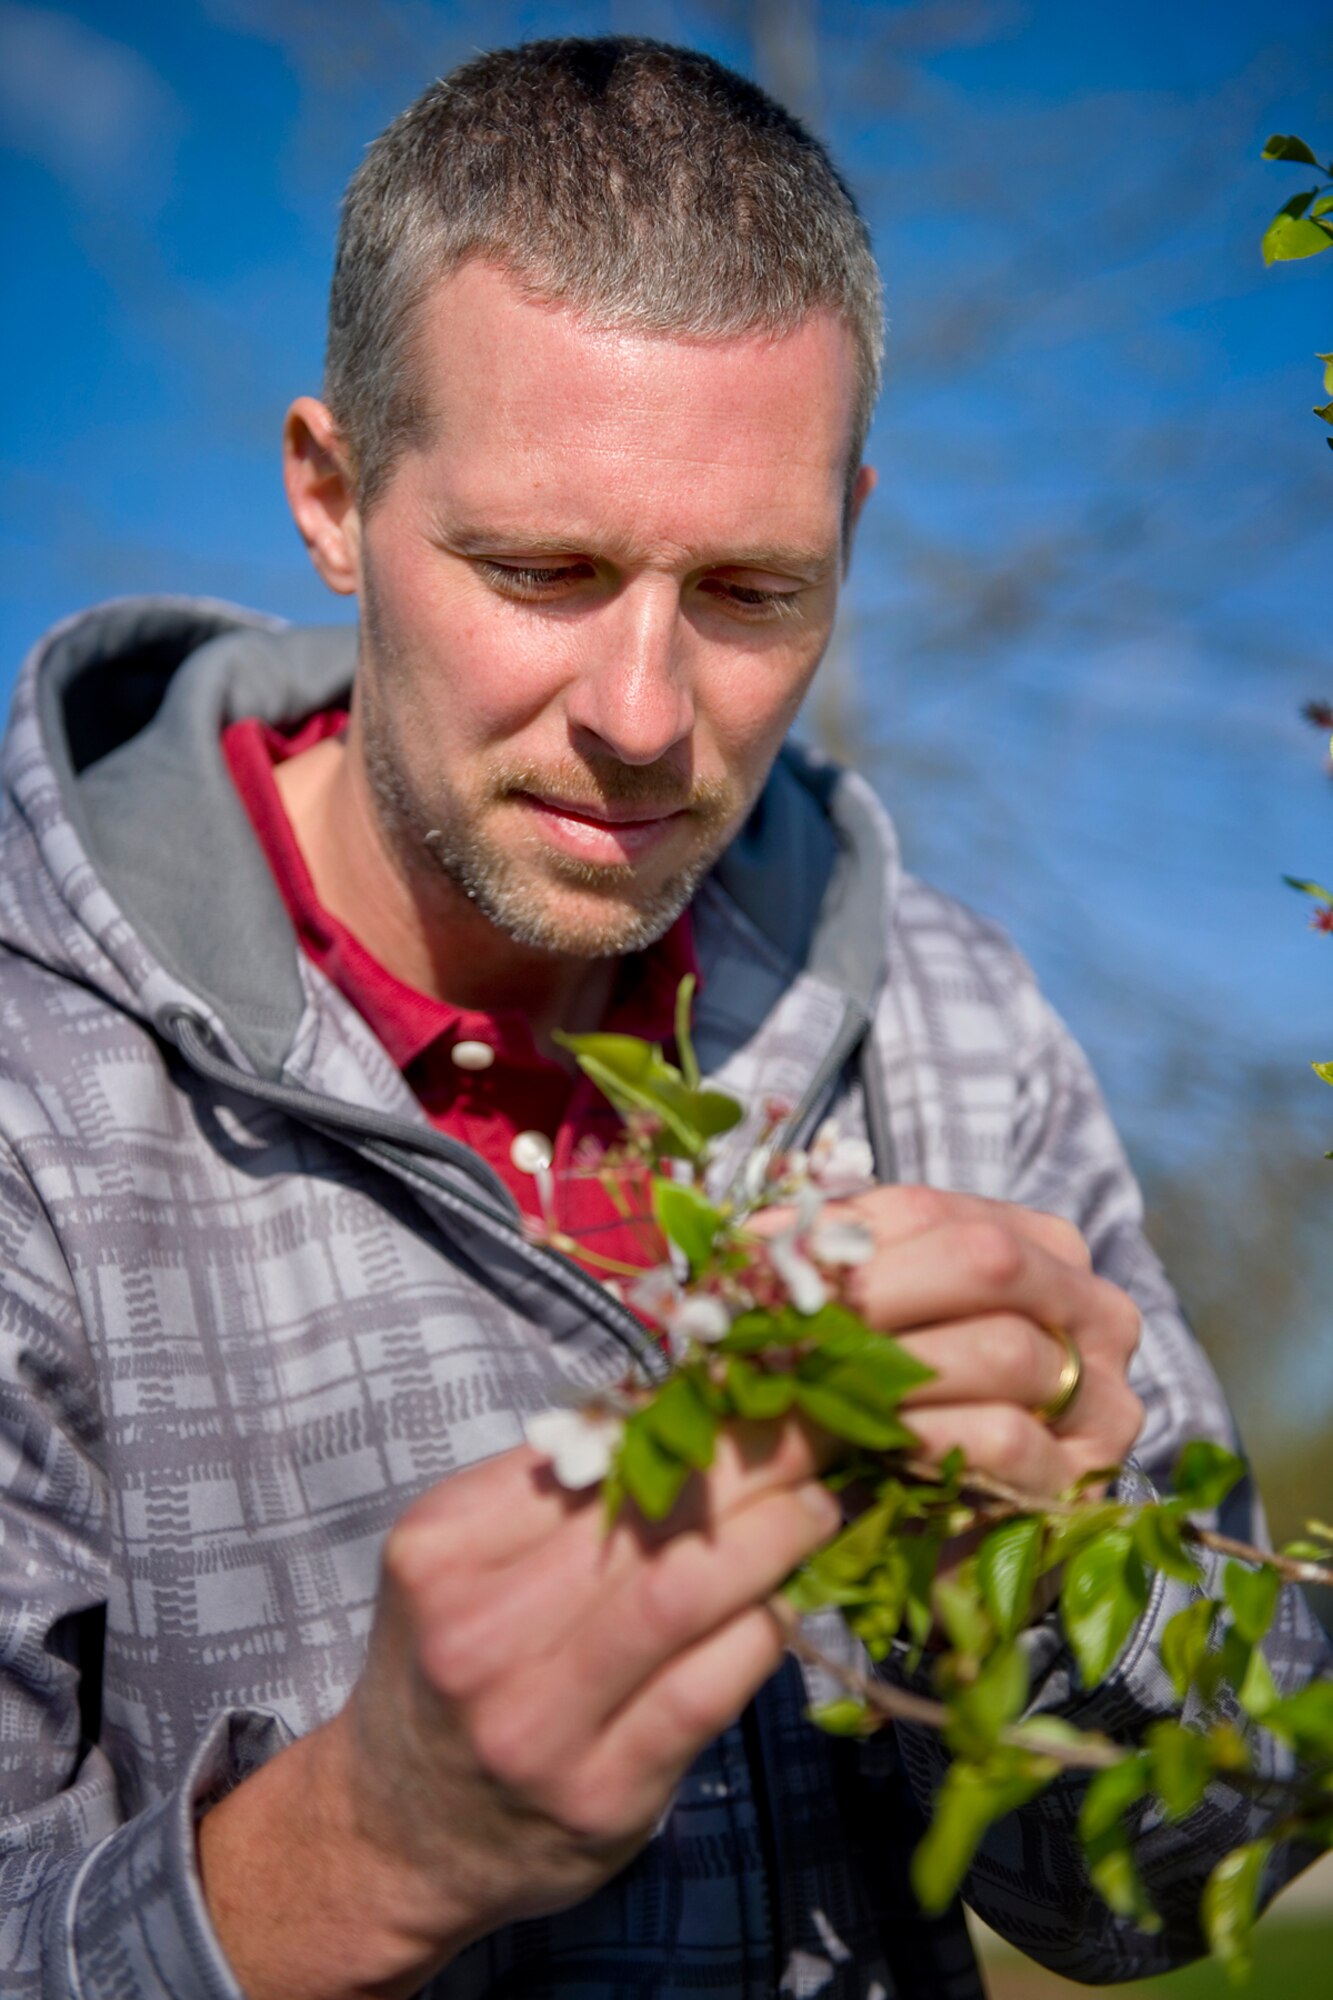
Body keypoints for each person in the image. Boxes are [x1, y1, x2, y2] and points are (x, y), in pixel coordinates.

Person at [0, 36, 1324, 2000]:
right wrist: (356, 1849)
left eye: (748, 589)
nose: (639, 712)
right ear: (334, 493)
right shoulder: (37, 1099)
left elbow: (1170, 1886)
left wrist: (1040, 1587)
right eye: (541, 567)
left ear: (849, 542)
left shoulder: (951, 1027)